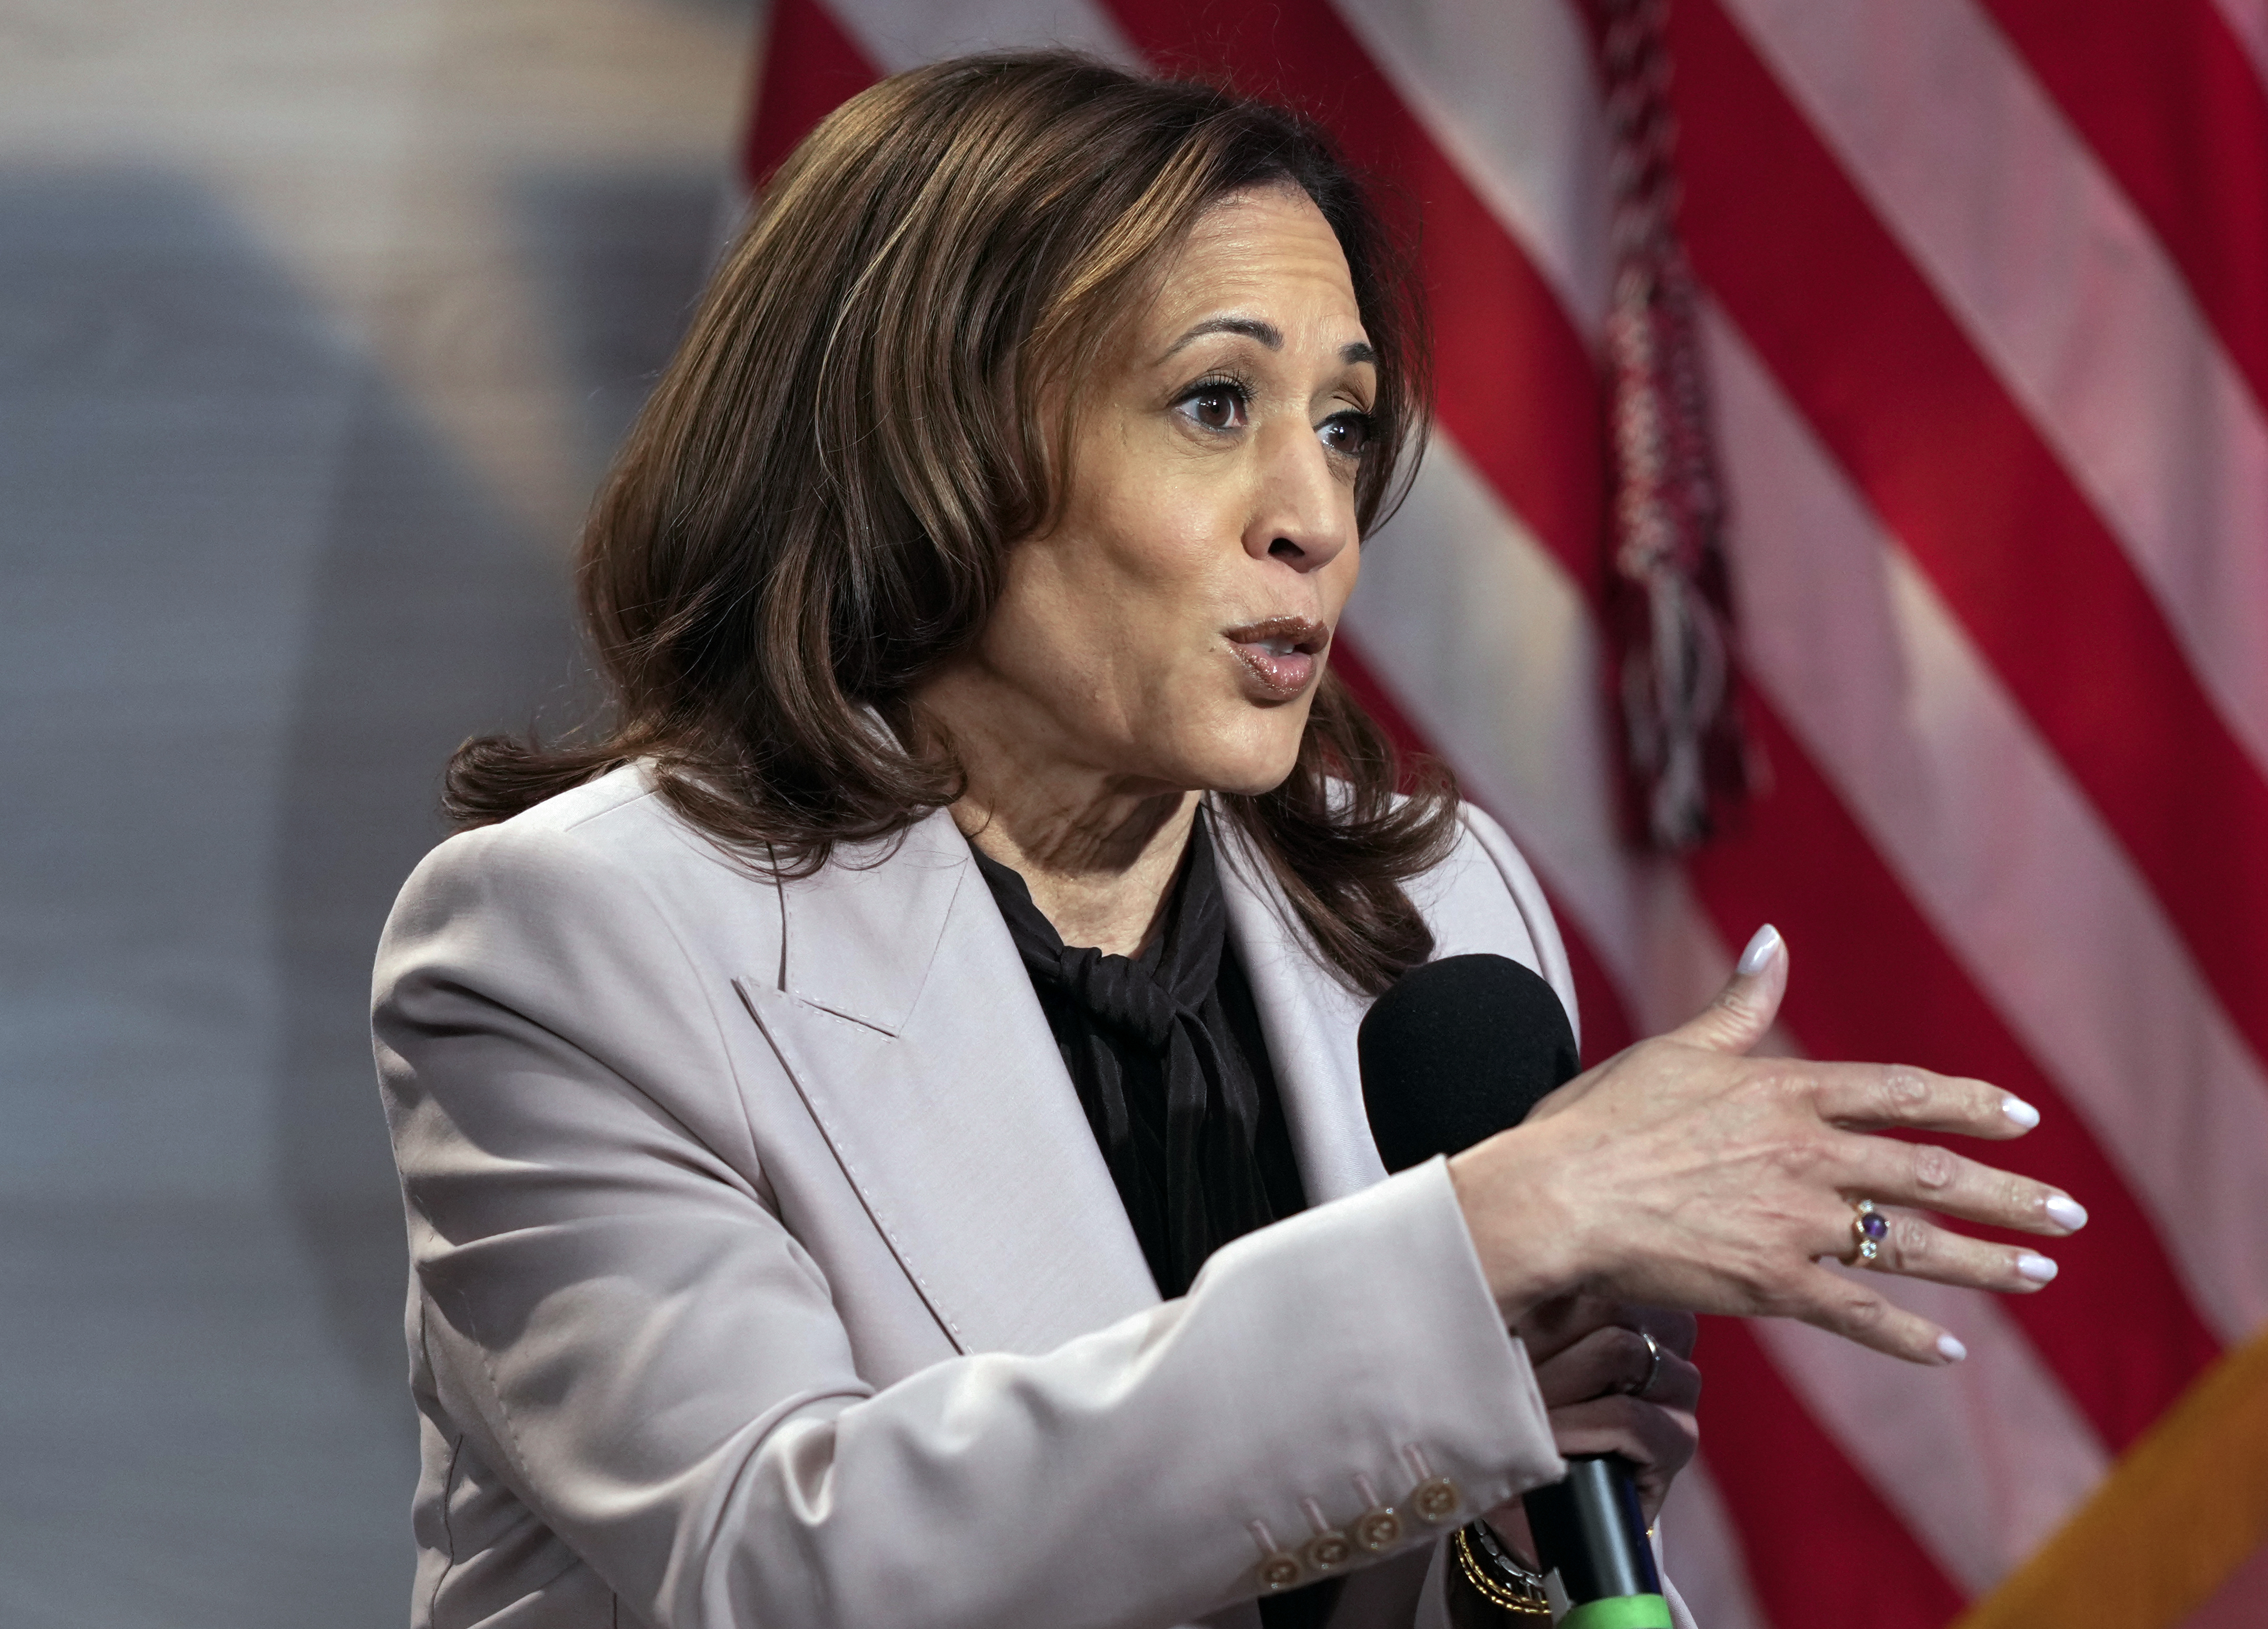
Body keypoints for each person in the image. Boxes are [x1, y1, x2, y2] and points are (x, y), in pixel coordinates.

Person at [372, 51, 2081, 1629]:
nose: (1317, 517)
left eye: (1341, 424)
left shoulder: (1429, 906)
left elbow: (1442, 1562)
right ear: (926, 446)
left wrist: (1514, 1529)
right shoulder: (573, 941)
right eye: (1213, 407)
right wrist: (1490, 1234)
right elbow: (785, 1560)